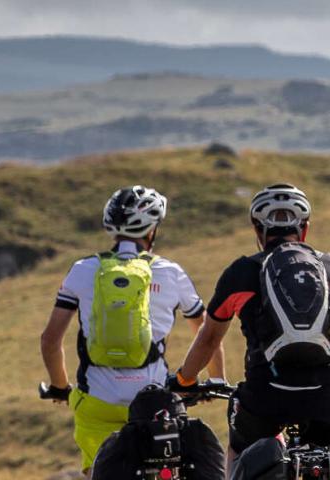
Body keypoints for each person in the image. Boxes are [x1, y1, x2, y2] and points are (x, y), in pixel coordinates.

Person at [170, 183, 330, 457]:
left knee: (241, 449)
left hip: (266, 392)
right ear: (305, 228)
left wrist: (185, 380)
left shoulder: (241, 272)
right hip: (328, 392)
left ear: (257, 229)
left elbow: (209, 338)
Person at [38, 185, 224, 473]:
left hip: (98, 400)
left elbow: (51, 340)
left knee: (101, 471)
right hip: (155, 400)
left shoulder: (83, 269)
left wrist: (60, 388)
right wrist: (214, 380)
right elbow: (207, 334)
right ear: (152, 230)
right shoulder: (171, 272)